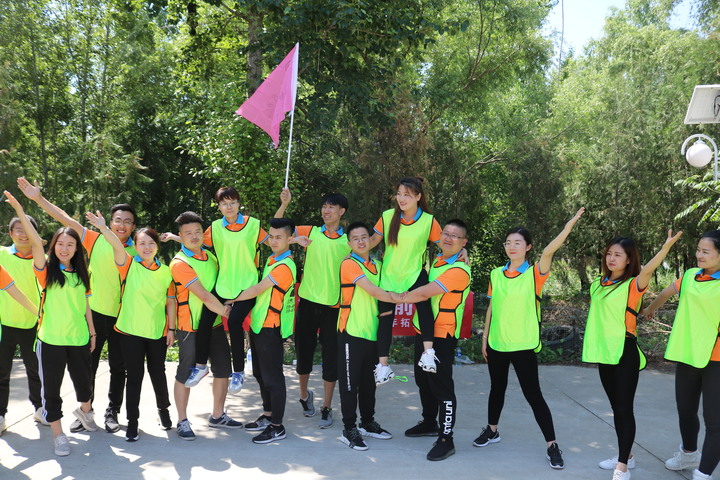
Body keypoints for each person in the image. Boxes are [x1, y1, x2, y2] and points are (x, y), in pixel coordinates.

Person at [17, 177, 136, 434]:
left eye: (127, 221)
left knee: (118, 367)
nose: (122, 225)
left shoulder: (139, 250)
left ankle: (112, 412)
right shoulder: (95, 239)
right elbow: (65, 220)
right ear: (110, 222)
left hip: (122, 317)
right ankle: (85, 413)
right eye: (118, 220)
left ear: (133, 226)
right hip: (93, 314)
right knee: (86, 369)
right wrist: (38, 198)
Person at [478, 208, 585, 470]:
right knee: (496, 389)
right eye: (508, 242)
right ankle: (492, 430)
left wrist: (568, 226)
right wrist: (485, 338)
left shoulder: (534, 274)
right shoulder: (495, 274)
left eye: (518, 243)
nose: (512, 247)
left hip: (523, 346)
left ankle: (552, 445)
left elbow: (549, 252)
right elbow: (492, 307)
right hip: (497, 344)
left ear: (528, 247)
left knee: (533, 396)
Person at [4, 191, 98, 456]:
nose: (64, 248)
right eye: (60, 244)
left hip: (79, 338)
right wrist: (21, 209)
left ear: (77, 248)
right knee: (51, 392)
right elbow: (35, 242)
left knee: (85, 386)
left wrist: (92, 333)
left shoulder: (83, 274)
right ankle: (59, 436)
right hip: (51, 341)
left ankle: (85, 412)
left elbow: (86, 305)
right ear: (53, 246)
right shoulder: (45, 271)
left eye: (70, 244)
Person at [583, 231, 682, 480]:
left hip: (625, 353)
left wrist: (665, 249)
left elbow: (648, 270)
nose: (611, 258)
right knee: (616, 408)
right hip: (604, 354)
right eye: (609, 253)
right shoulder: (597, 285)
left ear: (629, 260)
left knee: (624, 409)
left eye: (618, 255)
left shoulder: (633, 285)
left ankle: (622, 467)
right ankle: (626, 455)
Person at [85, 211, 176, 442]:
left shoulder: (166, 272)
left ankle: (164, 411)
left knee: (158, 373)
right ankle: (133, 423)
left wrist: (172, 329)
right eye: (141, 243)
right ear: (134, 247)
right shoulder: (128, 265)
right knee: (134, 377)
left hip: (156, 332)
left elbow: (170, 302)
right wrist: (103, 228)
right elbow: (116, 245)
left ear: (157, 246)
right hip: (129, 332)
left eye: (151, 243)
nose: (146, 247)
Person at [169, 187, 268, 395]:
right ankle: (200, 366)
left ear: (239, 203)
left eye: (232, 202)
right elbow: (194, 239)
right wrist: (174, 237)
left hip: (247, 285)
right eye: (224, 203)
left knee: (234, 322)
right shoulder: (214, 228)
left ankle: (238, 371)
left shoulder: (253, 224)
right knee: (205, 320)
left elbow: (274, 240)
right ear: (219, 206)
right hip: (223, 285)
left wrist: (292, 236)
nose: (229, 207)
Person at [642, 230, 720, 480]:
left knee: (714, 421)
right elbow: (667, 292)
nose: (699, 255)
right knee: (686, 410)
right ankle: (689, 454)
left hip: (717, 359)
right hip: (688, 353)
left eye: (705, 251)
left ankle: (703, 474)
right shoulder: (689, 276)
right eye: (698, 250)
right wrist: (650, 309)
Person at [393, 219, 472, 461]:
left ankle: (447, 439)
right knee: (423, 380)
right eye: (445, 233)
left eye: (455, 236)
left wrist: (391, 296)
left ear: (463, 242)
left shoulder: (459, 270)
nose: (448, 238)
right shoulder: (437, 261)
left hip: (442, 336)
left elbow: (424, 293)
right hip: (424, 332)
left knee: (442, 387)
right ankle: (429, 422)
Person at [276, 188, 351, 427]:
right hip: (307, 303)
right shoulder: (310, 232)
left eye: (331, 207)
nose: (326, 211)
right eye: (324, 206)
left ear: (341, 211)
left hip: (334, 307)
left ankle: (327, 406)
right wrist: (284, 205)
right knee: (303, 353)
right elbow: (276, 231)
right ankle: (304, 396)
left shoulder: (348, 241)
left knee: (331, 359)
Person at [169, 211, 240, 441]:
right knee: (185, 373)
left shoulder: (211, 258)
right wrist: (227, 311)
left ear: (203, 233)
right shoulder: (179, 263)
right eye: (188, 233)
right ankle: (182, 420)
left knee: (223, 370)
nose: (194, 236)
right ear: (180, 236)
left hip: (215, 325)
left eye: (197, 232)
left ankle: (218, 415)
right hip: (190, 327)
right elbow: (204, 295)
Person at [225, 218, 296, 444]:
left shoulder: (285, 266)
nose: (274, 241)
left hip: (270, 328)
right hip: (258, 325)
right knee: (259, 374)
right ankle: (268, 415)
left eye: (279, 237)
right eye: (271, 237)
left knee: (273, 378)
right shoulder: (273, 259)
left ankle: (277, 427)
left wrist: (232, 298)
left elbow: (258, 289)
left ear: (290, 239)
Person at [368, 177, 443, 385]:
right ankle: (383, 366)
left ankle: (428, 353)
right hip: (389, 275)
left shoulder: (428, 221)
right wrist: (355, 248)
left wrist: (461, 250)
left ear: (418, 197)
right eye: (399, 194)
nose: (401, 198)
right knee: (385, 318)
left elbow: (445, 244)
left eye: (407, 195)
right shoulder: (387, 216)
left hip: (415, 273)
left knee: (425, 308)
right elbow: (373, 240)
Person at [337, 222, 398, 451]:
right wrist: (399, 297)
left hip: (373, 333)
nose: (361, 241)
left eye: (364, 237)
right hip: (351, 332)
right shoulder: (349, 264)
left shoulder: (379, 266)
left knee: (368, 384)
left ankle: (368, 422)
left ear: (371, 240)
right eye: (356, 238)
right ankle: (349, 428)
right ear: (349, 243)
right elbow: (373, 290)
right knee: (350, 384)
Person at [0, 214, 47, 431]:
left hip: (34, 325)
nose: (23, 234)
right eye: (19, 229)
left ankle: (39, 409)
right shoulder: (2, 255)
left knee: (36, 371)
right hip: (4, 324)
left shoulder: (43, 260)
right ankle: (1, 415)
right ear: (11, 233)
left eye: (28, 230)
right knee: (2, 372)